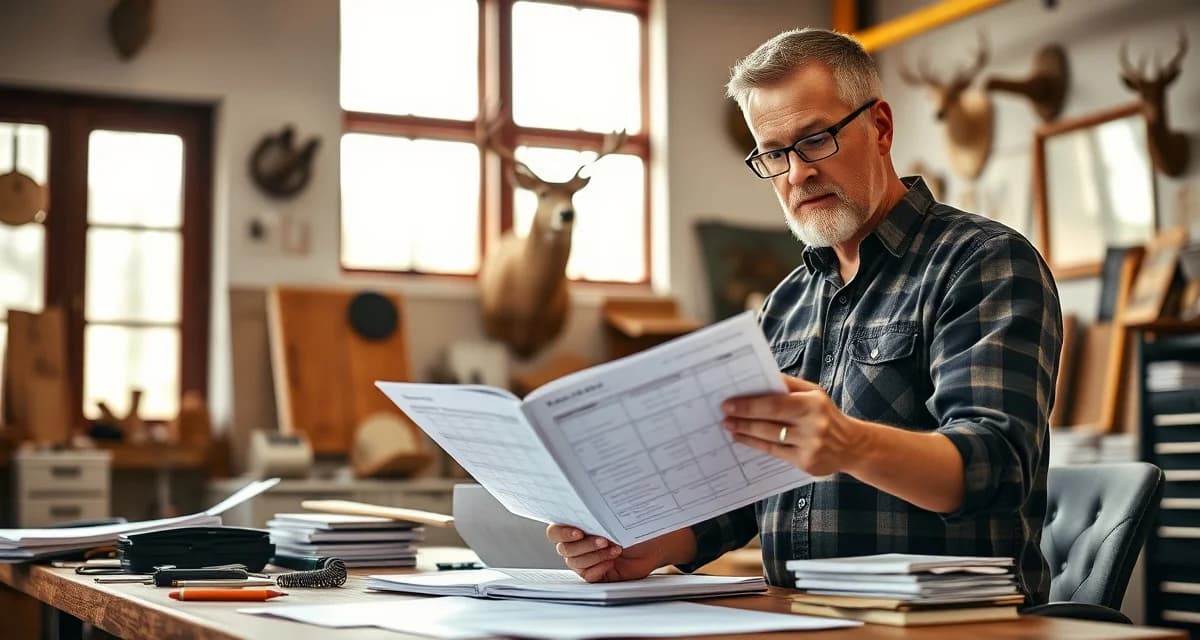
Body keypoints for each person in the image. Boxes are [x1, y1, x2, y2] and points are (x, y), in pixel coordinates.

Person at [546, 27, 1062, 604]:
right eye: (773, 153)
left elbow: (997, 465)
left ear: (882, 128)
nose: (796, 174)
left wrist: (851, 445)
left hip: (952, 626)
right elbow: (749, 492)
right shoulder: (786, 304)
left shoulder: (983, 263)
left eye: (816, 140)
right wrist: (651, 545)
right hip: (797, 619)